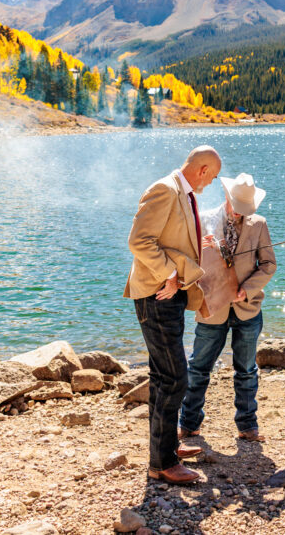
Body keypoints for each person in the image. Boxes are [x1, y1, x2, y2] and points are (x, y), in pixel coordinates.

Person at [123, 145, 221, 484]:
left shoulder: (183, 192)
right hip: (157, 294)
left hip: (171, 293)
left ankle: (163, 452)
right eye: (214, 176)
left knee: (164, 376)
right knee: (175, 376)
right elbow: (139, 241)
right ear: (203, 169)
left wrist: (197, 246)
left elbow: (168, 238)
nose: (212, 183)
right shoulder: (164, 188)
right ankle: (162, 463)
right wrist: (168, 272)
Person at [179, 173, 277, 442]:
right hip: (212, 308)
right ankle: (187, 423)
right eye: (236, 207)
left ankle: (247, 426)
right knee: (198, 368)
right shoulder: (204, 220)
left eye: (244, 210)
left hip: (248, 308)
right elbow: (189, 259)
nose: (239, 214)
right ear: (227, 197)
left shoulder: (259, 225)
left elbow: (268, 265)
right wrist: (199, 249)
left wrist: (247, 289)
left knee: (246, 371)